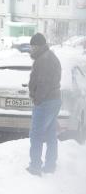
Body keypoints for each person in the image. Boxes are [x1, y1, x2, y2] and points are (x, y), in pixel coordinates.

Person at [27, 33, 61, 176]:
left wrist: (37, 100)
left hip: (45, 102)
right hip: (53, 100)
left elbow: (44, 83)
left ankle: (35, 166)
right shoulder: (48, 56)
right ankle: (50, 165)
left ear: (38, 45)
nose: (31, 49)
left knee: (36, 135)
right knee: (50, 134)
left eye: (33, 46)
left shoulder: (44, 60)